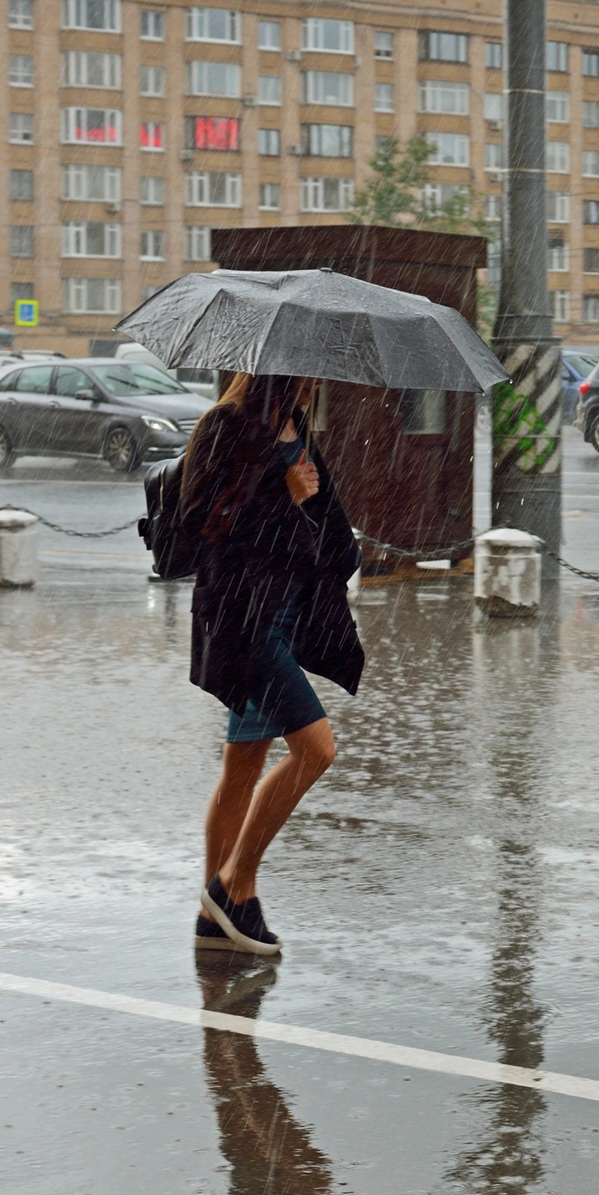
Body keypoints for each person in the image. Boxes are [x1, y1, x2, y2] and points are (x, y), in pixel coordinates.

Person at [182, 373, 362, 957]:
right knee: (316, 749)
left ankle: (215, 919)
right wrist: (281, 491)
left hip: (282, 613)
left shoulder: (295, 425)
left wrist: (329, 534)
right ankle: (235, 885)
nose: (316, 380)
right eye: (307, 370)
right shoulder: (226, 426)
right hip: (242, 620)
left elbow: (317, 521)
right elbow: (204, 523)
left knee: (243, 766)